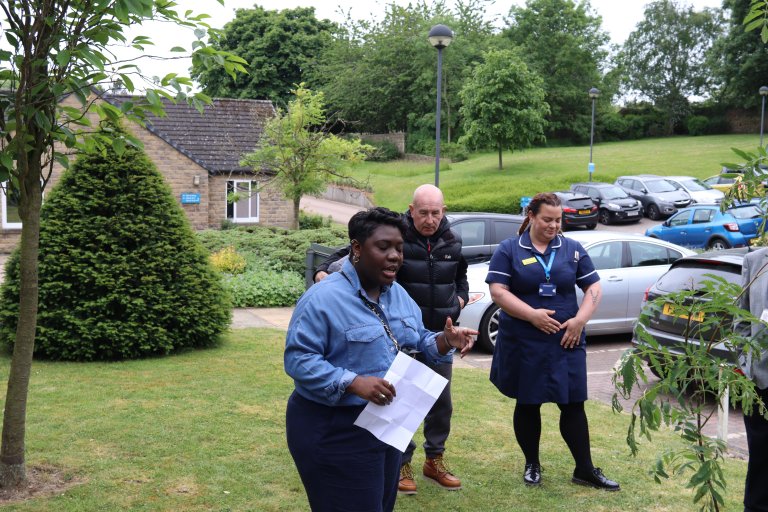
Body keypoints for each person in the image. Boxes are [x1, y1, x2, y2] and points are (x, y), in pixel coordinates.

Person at [285, 207, 476, 512]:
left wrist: (443, 341)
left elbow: (416, 340)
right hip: (333, 429)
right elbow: (299, 359)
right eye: (383, 247)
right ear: (357, 248)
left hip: (385, 427)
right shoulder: (323, 299)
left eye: (399, 248)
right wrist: (352, 382)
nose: (395, 256)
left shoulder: (397, 294)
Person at [485, 192, 620, 491]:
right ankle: (532, 463)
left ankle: (584, 469)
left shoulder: (571, 248)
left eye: (558, 220)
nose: (553, 226)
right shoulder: (509, 249)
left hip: (565, 340)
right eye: (547, 219)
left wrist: (580, 319)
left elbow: (593, 287)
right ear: (531, 216)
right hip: (524, 340)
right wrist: (532, 315)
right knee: (528, 402)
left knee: (573, 404)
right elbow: (498, 292)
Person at [739, 248, 768, 512]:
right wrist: (745, 363)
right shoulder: (755, 260)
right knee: (760, 456)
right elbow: (742, 319)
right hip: (760, 380)